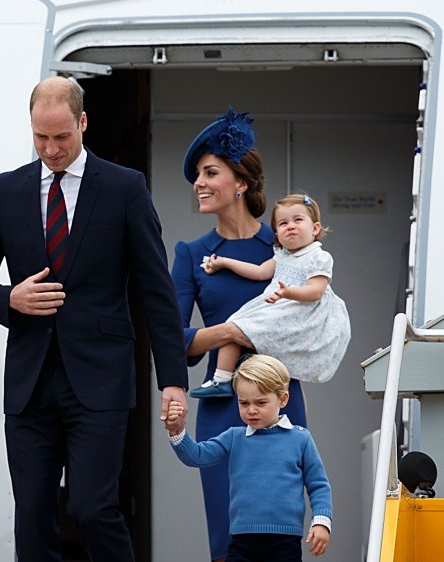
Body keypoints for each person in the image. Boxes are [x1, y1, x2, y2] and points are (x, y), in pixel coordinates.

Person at [0, 76, 188, 562]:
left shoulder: (125, 187)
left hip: (99, 378)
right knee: (32, 514)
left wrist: (173, 379)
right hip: (29, 381)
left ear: (83, 123)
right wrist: (9, 299)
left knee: (91, 507)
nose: (51, 148)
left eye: (62, 137)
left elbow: (155, 289)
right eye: (41, 137)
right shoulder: (6, 190)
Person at [170, 107, 309, 561]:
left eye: (211, 172)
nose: (199, 183)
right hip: (221, 407)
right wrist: (233, 331)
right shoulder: (192, 253)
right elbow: (174, 340)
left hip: (282, 400)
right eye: (197, 175)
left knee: (281, 530)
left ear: (241, 183)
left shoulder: (285, 245)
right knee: (229, 538)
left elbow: (312, 320)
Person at [164, 354, 332, 561]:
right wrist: (177, 430)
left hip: (285, 542)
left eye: (261, 402)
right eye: (244, 403)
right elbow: (197, 456)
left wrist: (321, 522)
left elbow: (319, 486)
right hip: (241, 541)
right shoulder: (234, 437)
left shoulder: (301, 439)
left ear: (283, 399)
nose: (251, 410)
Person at [191, 192, 351, 398]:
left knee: (237, 329)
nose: (290, 226)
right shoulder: (282, 256)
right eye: (283, 223)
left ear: (315, 228)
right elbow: (259, 272)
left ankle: (239, 381)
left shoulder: (318, 257)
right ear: (277, 234)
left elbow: (315, 291)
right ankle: (221, 379)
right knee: (236, 324)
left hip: (300, 314)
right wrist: (225, 262)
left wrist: (288, 292)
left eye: (298, 220)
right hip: (277, 307)